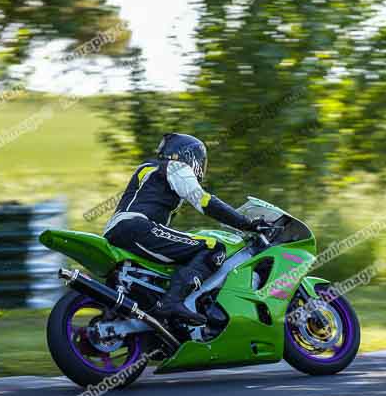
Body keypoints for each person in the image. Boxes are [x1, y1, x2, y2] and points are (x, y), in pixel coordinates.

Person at [103, 133, 265, 326]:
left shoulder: (150, 169)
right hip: (136, 227)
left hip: (119, 230)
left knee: (186, 252)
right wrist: (246, 223)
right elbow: (204, 201)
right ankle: (171, 303)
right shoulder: (176, 168)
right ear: (189, 155)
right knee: (214, 248)